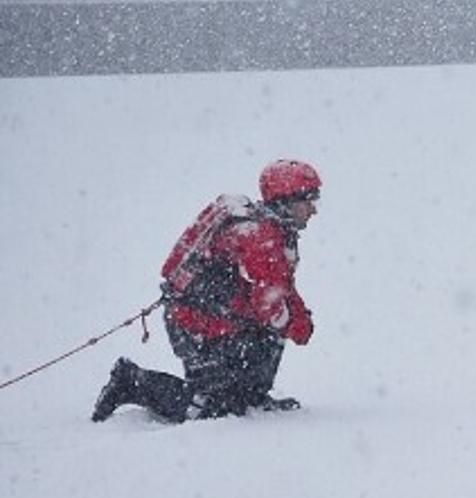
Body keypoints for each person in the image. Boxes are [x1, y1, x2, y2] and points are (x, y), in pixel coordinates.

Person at [91, 160, 323, 423]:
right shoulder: (261, 238)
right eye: (308, 200)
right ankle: (132, 382)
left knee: (270, 337)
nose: (313, 210)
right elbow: (269, 304)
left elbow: (278, 286)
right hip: (198, 326)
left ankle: (250, 396)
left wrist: (297, 317)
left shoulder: (267, 229)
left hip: (215, 320)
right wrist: (298, 325)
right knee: (210, 409)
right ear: (286, 201)